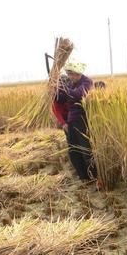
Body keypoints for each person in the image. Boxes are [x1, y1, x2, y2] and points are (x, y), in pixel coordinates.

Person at [52, 58, 100, 187]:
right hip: (72, 120)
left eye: (71, 74)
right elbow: (61, 98)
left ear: (77, 73)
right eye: (69, 74)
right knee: (73, 150)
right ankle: (83, 177)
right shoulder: (71, 83)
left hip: (83, 120)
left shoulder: (86, 82)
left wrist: (63, 88)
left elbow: (77, 95)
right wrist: (55, 89)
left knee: (85, 149)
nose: (70, 77)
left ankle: (94, 177)